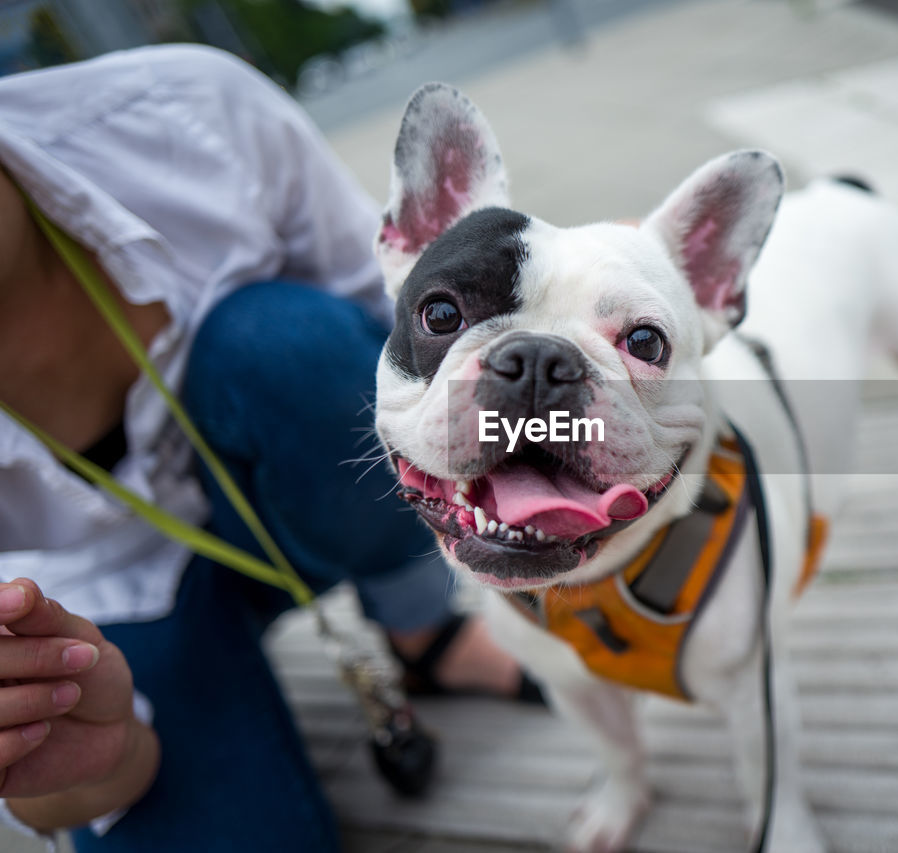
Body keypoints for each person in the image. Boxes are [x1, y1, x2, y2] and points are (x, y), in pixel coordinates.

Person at [0, 44, 535, 852]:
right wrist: (88, 758)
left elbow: (404, 330)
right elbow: (51, 792)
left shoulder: (185, 111)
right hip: (86, 624)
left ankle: (422, 629)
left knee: (289, 352)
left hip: (288, 488)